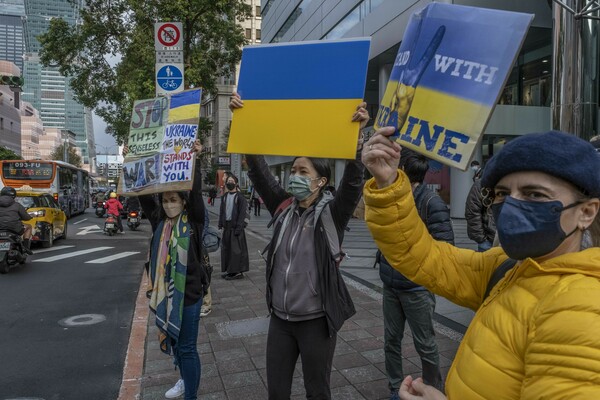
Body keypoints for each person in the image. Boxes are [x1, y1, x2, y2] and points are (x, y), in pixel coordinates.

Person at [361, 128, 600, 400]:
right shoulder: (507, 269)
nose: (511, 205)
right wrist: (388, 182)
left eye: (534, 195)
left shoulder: (581, 310)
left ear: (586, 212)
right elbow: (423, 256)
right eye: (502, 193)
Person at [230, 92, 369, 399]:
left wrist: (357, 139)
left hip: (316, 323)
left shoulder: (333, 213)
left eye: (303, 172)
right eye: (293, 171)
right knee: (276, 392)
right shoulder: (283, 207)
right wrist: (244, 122)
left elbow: (353, 182)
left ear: (320, 182)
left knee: (317, 391)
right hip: (280, 321)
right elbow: (260, 172)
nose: (295, 176)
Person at [376, 149, 453, 400]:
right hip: (391, 283)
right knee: (390, 341)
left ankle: (432, 390)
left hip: (417, 289)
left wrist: (419, 268)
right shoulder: (394, 197)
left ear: (404, 173)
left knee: (426, 345)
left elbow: (445, 247)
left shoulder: (431, 202)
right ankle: (394, 388)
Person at [149, 140, 210, 400]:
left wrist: (195, 160)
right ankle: (184, 380)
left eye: (173, 199)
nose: (168, 204)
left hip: (190, 296)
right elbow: (142, 196)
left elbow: (196, 193)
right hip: (167, 295)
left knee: (186, 348)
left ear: (183, 202)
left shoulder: (193, 221)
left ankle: (191, 395)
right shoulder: (159, 224)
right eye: (164, 200)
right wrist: (134, 162)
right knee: (176, 344)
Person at [218, 173, 249, 280]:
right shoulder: (224, 197)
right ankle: (230, 271)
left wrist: (239, 228)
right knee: (227, 250)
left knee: (236, 251)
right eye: (228, 181)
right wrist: (220, 223)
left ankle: (237, 272)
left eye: (232, 181)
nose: (229, 183)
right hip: (227, 227)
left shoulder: (240, 198)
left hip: (236, 228)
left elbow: (242, 214)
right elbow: (222, 211)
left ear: (236, 183)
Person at [465, 161, 496, 251]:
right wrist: (481, 239)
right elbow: (472, 212)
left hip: (510, 241)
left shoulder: (511, 184)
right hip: (488, 241)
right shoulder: (479, 185)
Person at [0, 187, 33, 254]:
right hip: (14, 228)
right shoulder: (17, 205)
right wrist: (29, 217)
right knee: (29, 226)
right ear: (14, 195)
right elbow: (25, 217)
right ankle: (26, 247)